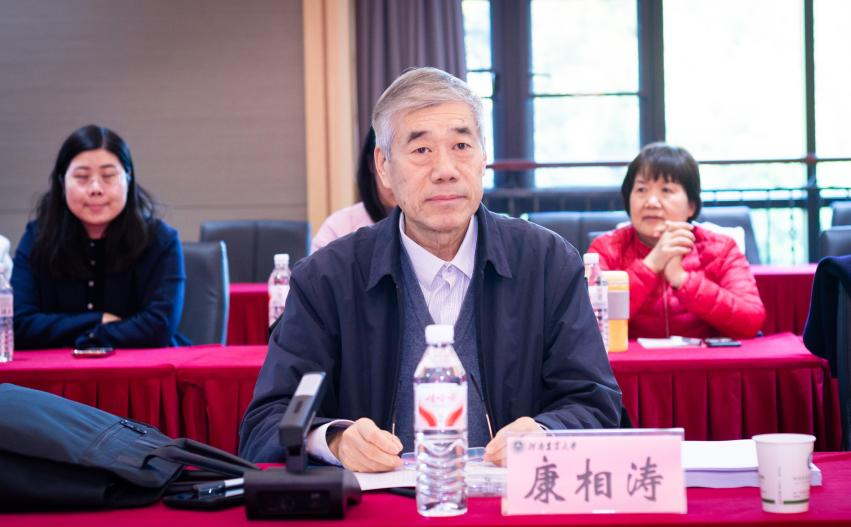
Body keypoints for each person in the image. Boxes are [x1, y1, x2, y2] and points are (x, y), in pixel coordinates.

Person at [239, 67, 622, 472]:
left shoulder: (547, 263)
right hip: (381, 503)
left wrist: (546, 432)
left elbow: (595, 403)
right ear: (383, 166)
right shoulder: (327, 279)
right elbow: (266, 423)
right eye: (421, 150)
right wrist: (333, 440)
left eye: (461, 145)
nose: (445, 169)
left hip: (512, 497)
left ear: (484, 157)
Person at [12, 125, 188, 350]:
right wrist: (99, 320)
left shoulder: (161, 240)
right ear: (62, 182)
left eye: (108, 176)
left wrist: (83, 333)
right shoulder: (38, 238)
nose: (95, 188)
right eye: (82, 177)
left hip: (142, 369)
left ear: (128, 179)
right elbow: (17, 324)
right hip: (58, 371)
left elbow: (159, 327)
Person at [587, 143, 766, 339]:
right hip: (629, 359)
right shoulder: (606, 248)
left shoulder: (721, 249)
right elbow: (590, 322)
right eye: (641, 189)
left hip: (703, 359)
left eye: (666, 190)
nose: (651, 202)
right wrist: (651, 265)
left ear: (691, 206)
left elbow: (751, 321)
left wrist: (682, 280)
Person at [310, 127, 397, 253]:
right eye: (386, 162)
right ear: (372, 163)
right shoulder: (340, 227)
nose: (396, 181)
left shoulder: (426, 227)